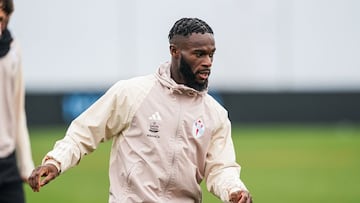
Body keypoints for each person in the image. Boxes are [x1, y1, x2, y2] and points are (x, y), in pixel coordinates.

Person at [28, 17, 253, 203]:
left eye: (211, 54)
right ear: (174, 51)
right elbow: (83, 133)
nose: (208, 62)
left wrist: (234, 190)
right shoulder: (133, 93)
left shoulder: (216, 114)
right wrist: (55, 161)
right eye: (199, 54)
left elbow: (220, 168)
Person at [0, 0, 35, 202]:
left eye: (2, 20)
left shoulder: (13, 48)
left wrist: (26, 164)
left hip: (7, 163)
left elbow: (17, 109)